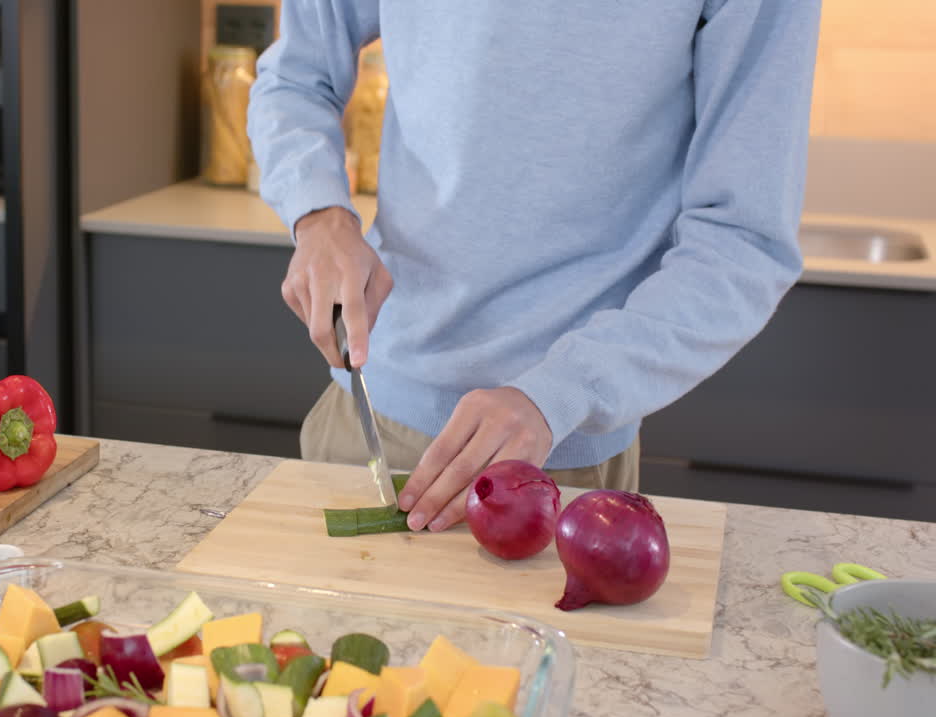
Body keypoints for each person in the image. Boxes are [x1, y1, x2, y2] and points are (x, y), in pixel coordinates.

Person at [247, 1, 822, 533]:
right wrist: (318, 214)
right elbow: (296, 76)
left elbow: (742, 238)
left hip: (563, 462)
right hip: (371, 414)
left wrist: (562, 393)